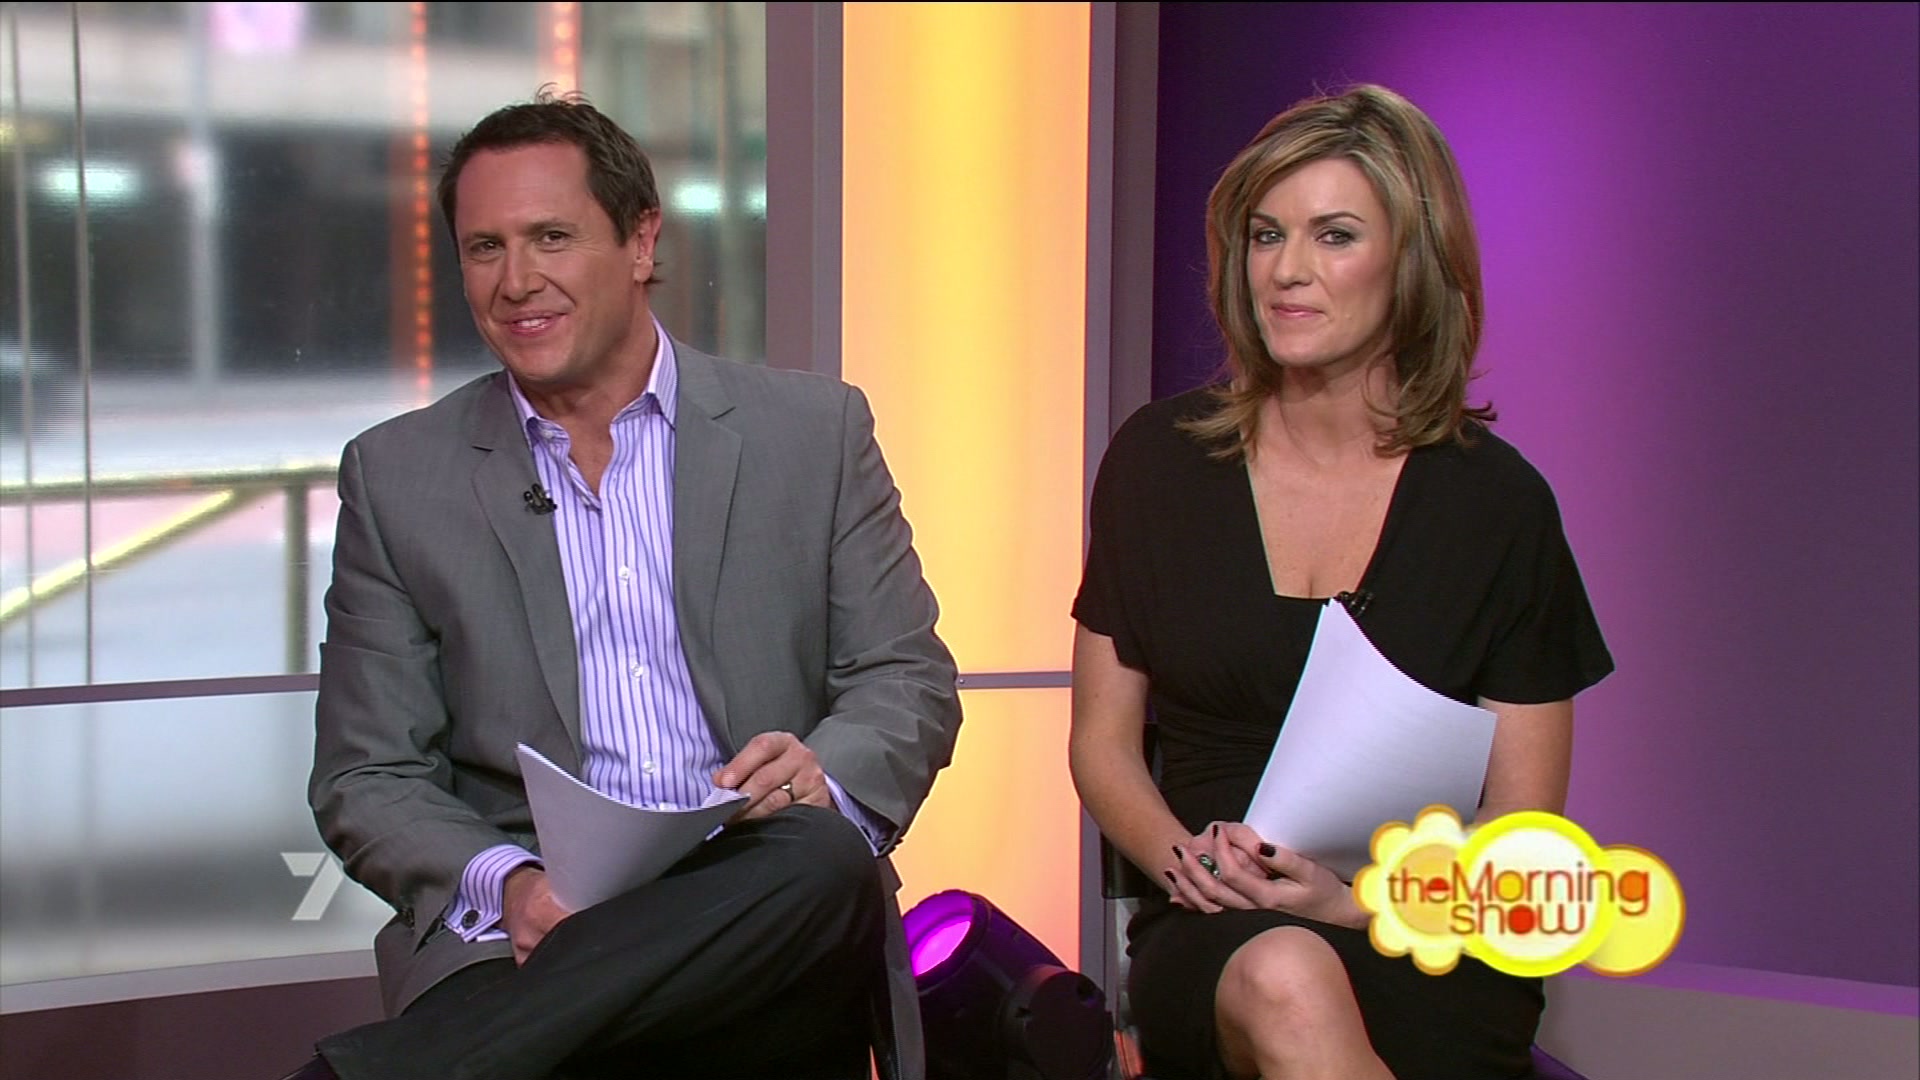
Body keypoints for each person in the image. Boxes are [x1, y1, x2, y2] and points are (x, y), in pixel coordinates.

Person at [292, 92, 961, 1080]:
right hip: (523, 929)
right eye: (485, 248)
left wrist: (820, 773)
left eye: (552, 237)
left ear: (641, 241)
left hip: (757, 888)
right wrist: (511, 886)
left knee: (823, 858)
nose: (517, 281)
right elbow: (366, 774)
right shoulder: (399, 477)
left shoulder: (812, 434)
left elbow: (906, 678)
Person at [1069, 85, 1614, 1080]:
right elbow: (1102, 745)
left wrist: (1348, 901)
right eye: (1265, 235)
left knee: (1310, 972)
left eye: (1334, 236)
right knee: (1287, 976)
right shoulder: (1156, 463)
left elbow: (1522, 831)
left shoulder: (1499, 507)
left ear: (1412, 263)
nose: (1287, 270)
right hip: (1215, 926)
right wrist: (1189, 863)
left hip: (1416, 930)